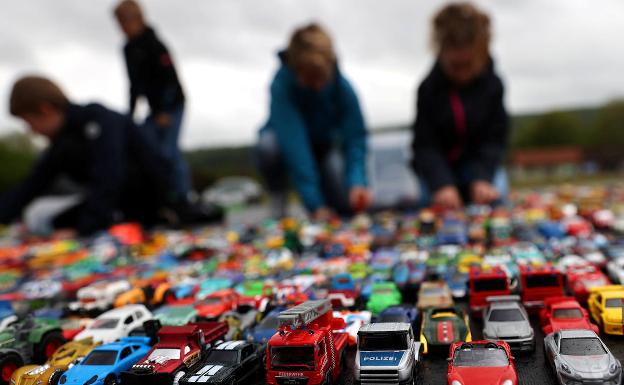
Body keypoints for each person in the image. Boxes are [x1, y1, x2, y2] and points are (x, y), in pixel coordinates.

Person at [0, 75, 176, 236]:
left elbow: (109, 177)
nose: (31, 131)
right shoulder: (62, 141)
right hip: (113, 201)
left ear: (45, 110)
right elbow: (33, 183)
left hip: (146, 200)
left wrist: (82, 230)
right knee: (56, 220)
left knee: (69, 221)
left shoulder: (100, 120)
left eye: (29, 122)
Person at [256, 23, 371, 219]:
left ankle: (331, 197)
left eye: (321, 78)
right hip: (286, 146)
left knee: (344, 202)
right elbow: (295, 145)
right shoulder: (281, 85)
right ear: (296, 69)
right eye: (310, 79)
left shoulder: (342, 87)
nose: (317, 86)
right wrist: (314, 204)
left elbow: (355, 138)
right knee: (268, 146)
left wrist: (357, 182)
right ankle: (278, 198)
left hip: (323, 147)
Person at [411, 2, 509, 210]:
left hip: (480, 167)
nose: (462, 73)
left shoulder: (494, 86)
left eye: (469, 65)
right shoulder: (428, 89)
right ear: (441, 52)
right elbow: (425, 145)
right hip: (440, 171)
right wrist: (442, 184)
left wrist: (483, 177)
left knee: (497, 197)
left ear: (482, 52)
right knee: (429, 206)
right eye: (455, 66)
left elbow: (495, 140)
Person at [113, 0, 190, 202]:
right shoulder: (128, 49)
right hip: (153, 110)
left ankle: (182, 198)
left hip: (172, 105)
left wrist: (164, 111)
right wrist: (129, 117)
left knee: (168, 152)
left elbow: (170, 79)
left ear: (139, 19)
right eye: (119, 23)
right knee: (149, 151)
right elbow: (133, 84)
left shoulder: (155, 44)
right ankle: (160, 200)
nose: (122, 28)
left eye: (125, 22)